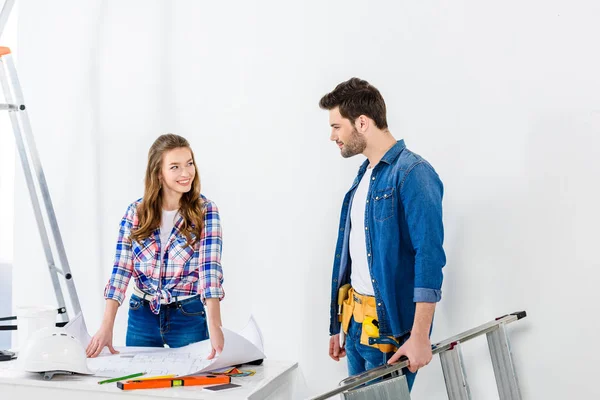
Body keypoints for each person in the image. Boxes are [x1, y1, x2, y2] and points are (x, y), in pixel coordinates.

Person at [319, 78, 446, 390]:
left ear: (362, 122)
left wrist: (419, 337)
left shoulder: (413, 172)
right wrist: (339, 325)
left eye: (337, 126)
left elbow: (428, 258)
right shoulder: (364, 174)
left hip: (388, 334)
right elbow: (353, 257)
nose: (332, 136)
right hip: (355, 326)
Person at [86, 133, 225, 358]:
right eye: (175, 167)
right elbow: (121, 271)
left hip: (187, 315)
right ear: (158, 173)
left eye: (189, 164)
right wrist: (106, 326)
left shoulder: (206, 211)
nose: (186, 173)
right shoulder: (136, 213)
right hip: (141, 316)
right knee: (139, 385)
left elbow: (209, 271)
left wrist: (216, 327)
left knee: (190, 388)